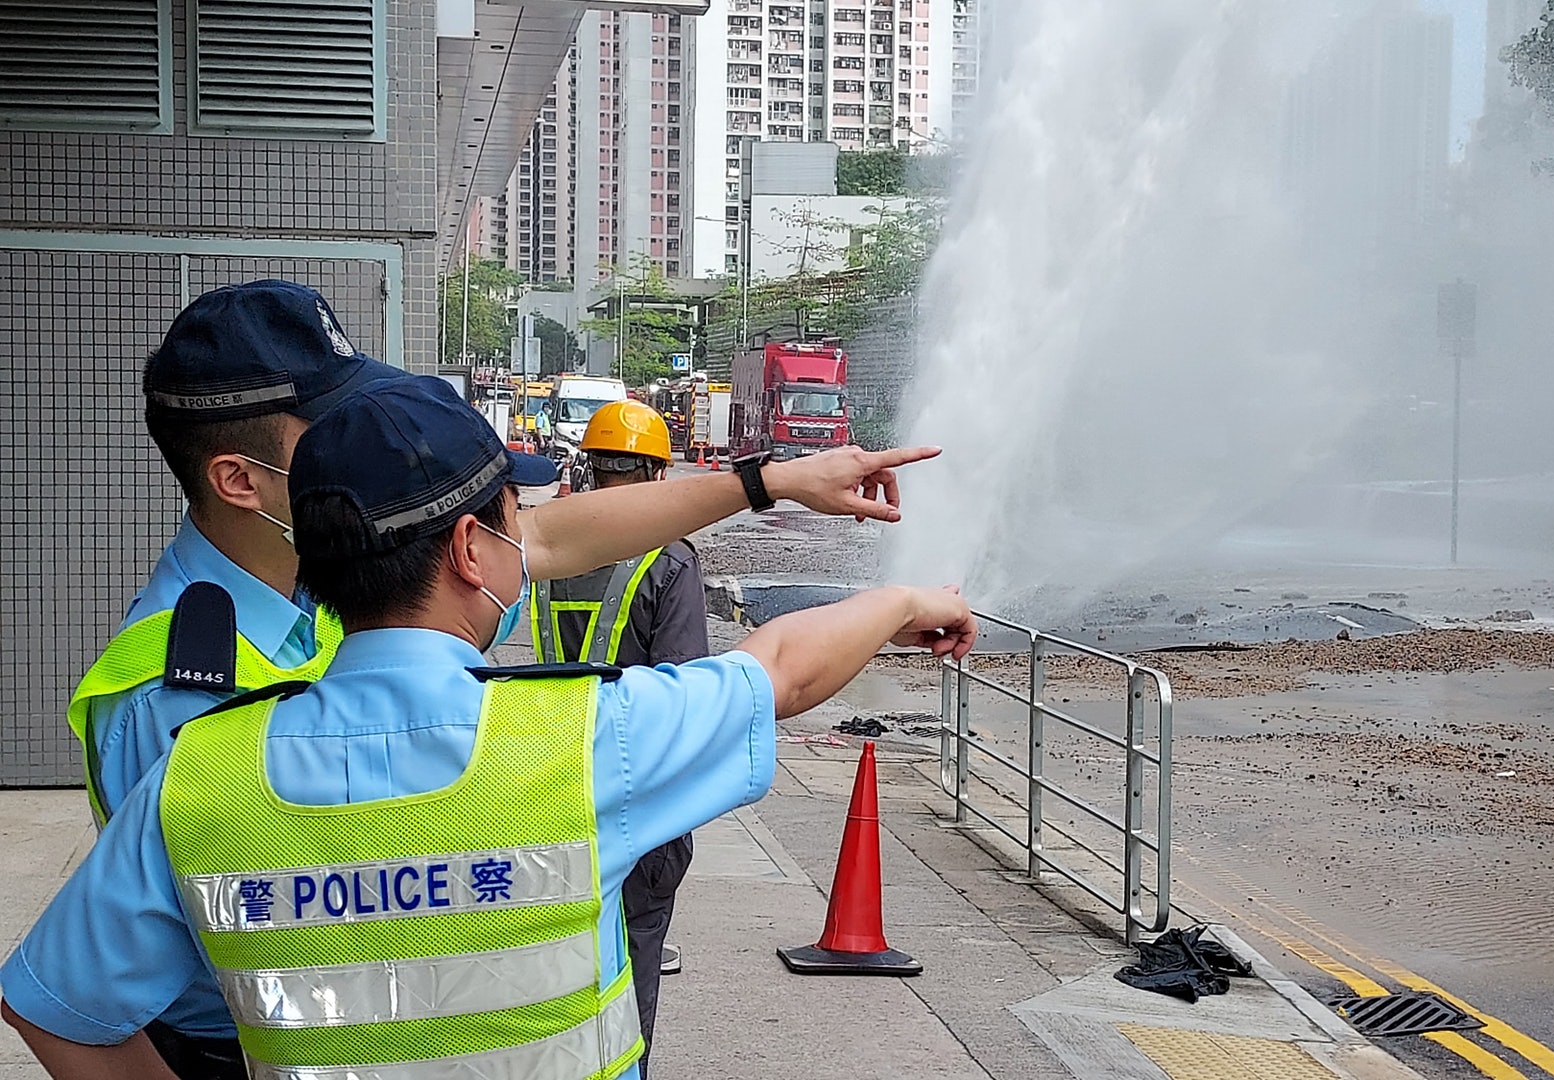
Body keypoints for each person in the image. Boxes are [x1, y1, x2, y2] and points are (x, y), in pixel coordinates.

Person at [64, 280, 939, 1072]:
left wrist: (768, 481)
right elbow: (129, 982)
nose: (359, 448)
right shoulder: (172, 697)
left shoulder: (338, 580)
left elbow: (545, 538)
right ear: (238, 478)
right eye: (332, 430)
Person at [530, 400, 700, 1068]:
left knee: (556, 988)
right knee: (628, 993)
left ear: (591, 468)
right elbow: (685, 697)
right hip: (638, 807)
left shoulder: (553, 552)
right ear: (657, 474)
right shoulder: (669, 562)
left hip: (553, 792)